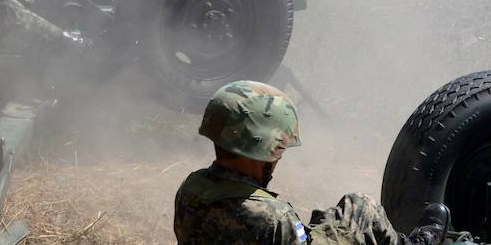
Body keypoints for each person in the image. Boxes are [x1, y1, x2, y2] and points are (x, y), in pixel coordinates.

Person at [174, 80, 450, 245]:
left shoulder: (192, 189)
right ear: (266, 148)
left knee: (330, 218)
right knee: (361, 207)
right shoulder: (272, 217)